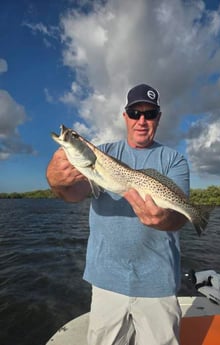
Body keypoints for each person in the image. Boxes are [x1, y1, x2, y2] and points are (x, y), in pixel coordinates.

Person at [46, 83, 190, 345]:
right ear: (125, 116)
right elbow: (72, 194)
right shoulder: (103, 154)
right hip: (106, 281)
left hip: (158, 283)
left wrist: (164, 219)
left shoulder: (174, 160)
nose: (142, 121)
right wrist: (56, 181)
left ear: (159, 117)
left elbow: (179, 217)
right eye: (135, 113)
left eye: (150, 114)